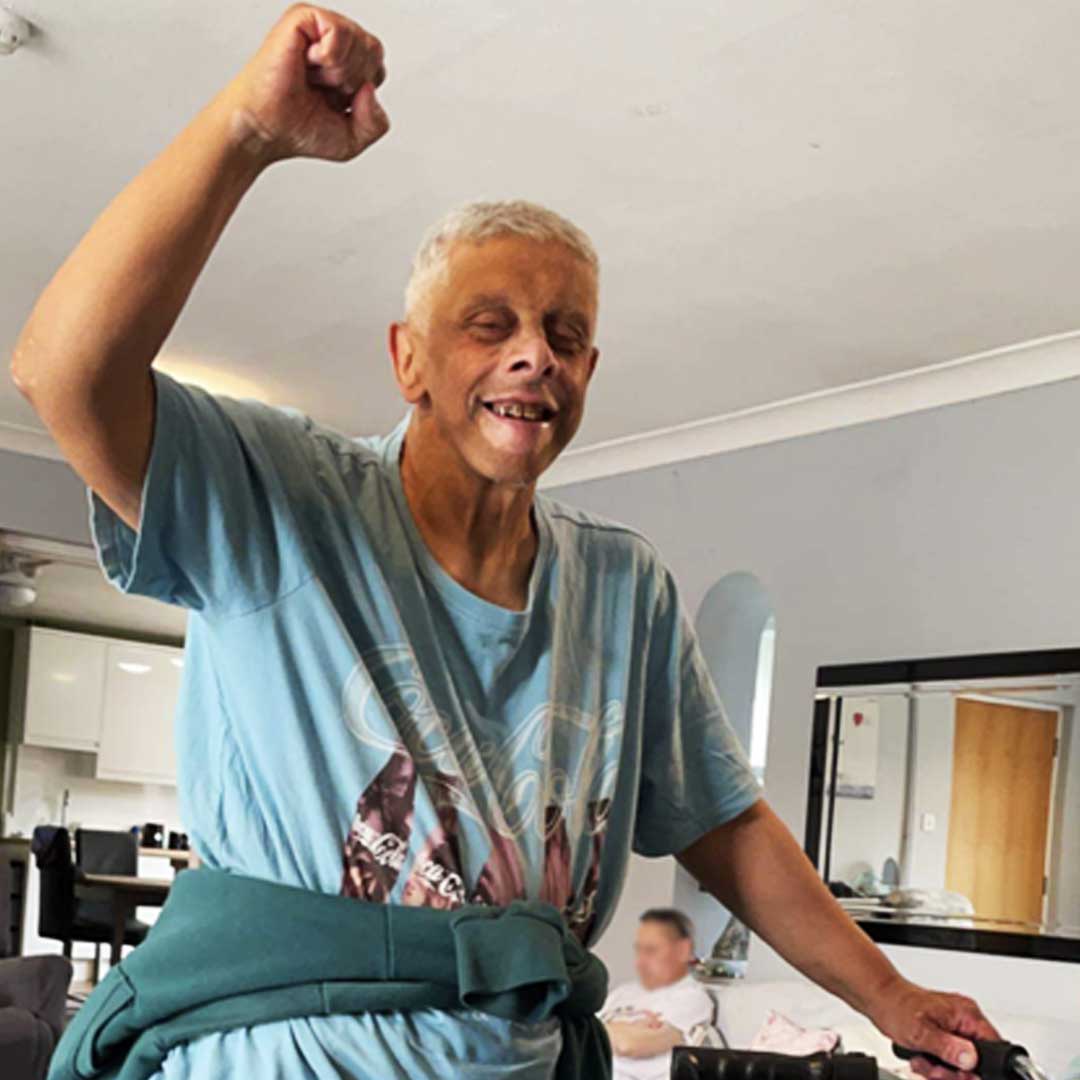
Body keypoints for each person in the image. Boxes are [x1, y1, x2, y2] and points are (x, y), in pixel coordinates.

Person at [11, 6, 999, 1079]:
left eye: (565, 335)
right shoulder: (281, 499)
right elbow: (63, 372)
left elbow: (728, 827)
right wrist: (248, 133)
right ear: (409, 360)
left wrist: (892, 998)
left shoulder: (624, 587)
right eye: (491, 324)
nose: (535, 354)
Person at [601, 909, 715, 1080]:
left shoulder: (691, 998)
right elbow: (579, 1038)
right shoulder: (621, 993)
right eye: (638, 949)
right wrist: (619, 1032)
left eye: (651, 950)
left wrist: (609, 1029)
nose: (640, 960)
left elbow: (629, 1045)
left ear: (683, 950)